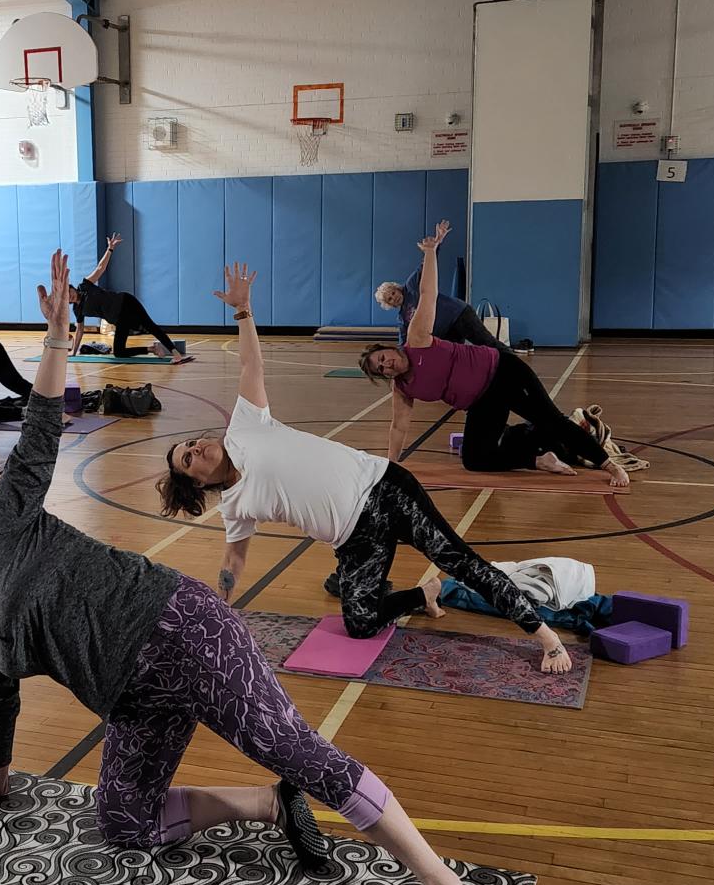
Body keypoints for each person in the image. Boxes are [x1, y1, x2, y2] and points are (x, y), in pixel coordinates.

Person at [0, 249, 490, 885]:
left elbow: (43, 428)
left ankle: (443, 884)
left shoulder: (6, 521)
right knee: (125, 822)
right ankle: (269, 804)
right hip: (131, 698)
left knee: (295, 749)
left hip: (178, 629)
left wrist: (54, 338)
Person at [156, 260, 573, 676]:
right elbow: (233, 561)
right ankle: (423, 595)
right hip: (355, 540)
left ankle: (545, 637)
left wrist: (243, 311)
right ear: (196, 483)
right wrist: (221, 607)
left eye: (191, 443)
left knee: (461, 562)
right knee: (360, 622)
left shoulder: (245, 427)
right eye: (188, 458)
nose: (196, 448)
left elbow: (251, 365)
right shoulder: (234, 507)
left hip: (384, 490)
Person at [360, 222, 626, 486]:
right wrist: (390, 466)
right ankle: (539, 460)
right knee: (475, 459)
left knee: (550, 420)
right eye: (380, 369)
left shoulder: (416, 338)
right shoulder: (402, 387)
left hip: (502, 372)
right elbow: (399, 427)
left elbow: (427, 292)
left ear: (389, 349)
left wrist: (431, 251)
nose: (386, 365)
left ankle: (609, 465)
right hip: (481, 403)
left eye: (382, 358)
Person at [72, 233, 187, 362]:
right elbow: (79, 330)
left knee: (150, 326)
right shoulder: (77, 310)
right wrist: (74, 353)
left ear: (71, 287)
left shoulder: (84, 286)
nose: (69, 296)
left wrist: (110, 249)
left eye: (68, 292)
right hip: (119, 320)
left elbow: (100, 268)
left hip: (125, 302)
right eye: (66, 298)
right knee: (119, 352)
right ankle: (151, 349)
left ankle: (175, 353)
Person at [375, 266, 508, 351]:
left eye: (393, 293)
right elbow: (404, 342)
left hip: (458, 314)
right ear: (389, 305)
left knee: (487, 343)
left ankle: (513, 361)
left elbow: (426, 265)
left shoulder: (411, 285)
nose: (394, 298)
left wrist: (433, 246)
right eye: (389, 299)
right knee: (456, 357)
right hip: (446, 334)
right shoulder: (402, 318)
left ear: (396, 288)